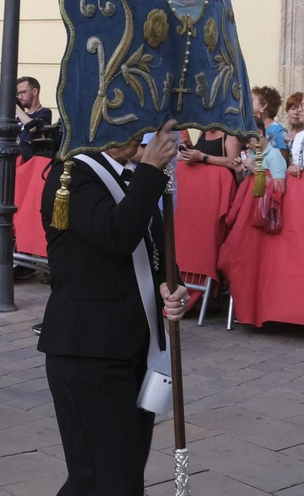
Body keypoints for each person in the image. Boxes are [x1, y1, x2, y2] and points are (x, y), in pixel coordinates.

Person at [38, 121, 190, 494]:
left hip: (132, 347)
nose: (143, 134)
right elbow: (118, 234)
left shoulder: (128, 177)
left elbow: (150, 253)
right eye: (131, 125)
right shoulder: (72, 175)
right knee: (109, 479)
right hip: (88, 350)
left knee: (108, 476)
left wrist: (172, 288)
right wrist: (152, 169)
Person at [16, 76, 53, 160]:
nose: (20, 97)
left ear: (35, 92)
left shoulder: (44, 112)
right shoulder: (20, 116)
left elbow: (33, 127)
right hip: (18, 163)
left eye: (23, 92)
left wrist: (15, 108)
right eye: (18, 94)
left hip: (33, 165)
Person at [252, 86, 287, 153]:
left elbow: (282, 158)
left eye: (252, 100)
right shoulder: (251, 125)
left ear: (264, 105)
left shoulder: (276, 131)